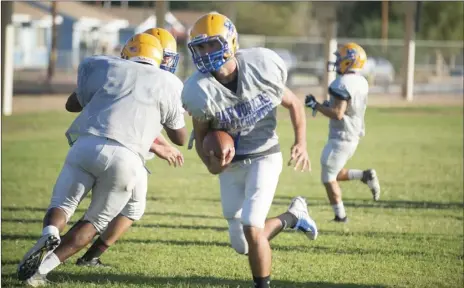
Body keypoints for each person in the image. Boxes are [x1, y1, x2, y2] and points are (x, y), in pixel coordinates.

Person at [17, 33, 187, 286]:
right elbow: (181, 138)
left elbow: (72, 105)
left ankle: (50, 232)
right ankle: (41, 271)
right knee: (94, 222)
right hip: (127, 160)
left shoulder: (105, 67)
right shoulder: (169, 82)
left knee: (63, 204)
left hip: (87, 144)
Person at [181, 12, 318, 288]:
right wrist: (213, 165)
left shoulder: (261, 68)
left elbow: (294, 104)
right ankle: (293, 216)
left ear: (231, 42)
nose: (207, 52)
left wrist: (300, 142)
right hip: (231, 165)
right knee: (243, 244)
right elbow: (201, 137)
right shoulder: (199, 90)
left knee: (253, 226)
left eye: (213, 44)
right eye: (201, 46)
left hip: (265, 155)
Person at [75, 27, 184, 268]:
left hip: (94, 145)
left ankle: (62, 246)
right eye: (164, 56)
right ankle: (68, 252)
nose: (166, 62)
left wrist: (162, 145)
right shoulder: (151, 78)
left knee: (74, 202)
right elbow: (132, 124)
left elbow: (146, 124)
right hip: (121, 150)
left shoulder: (121, 70)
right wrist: (160, 147)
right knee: (114, 209)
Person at [304, 42, 381, 223]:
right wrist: (321, 105)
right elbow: (344, 108)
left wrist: (316, 106)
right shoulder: (361, 81)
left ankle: (341, 216)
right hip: (352, 135)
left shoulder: (341, 83)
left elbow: (338, 113)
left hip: (341, 137)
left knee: (328, 177)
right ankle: (365, 175)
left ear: (350, 61)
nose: (337, 61)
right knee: (334, 171)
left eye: (341, 58)